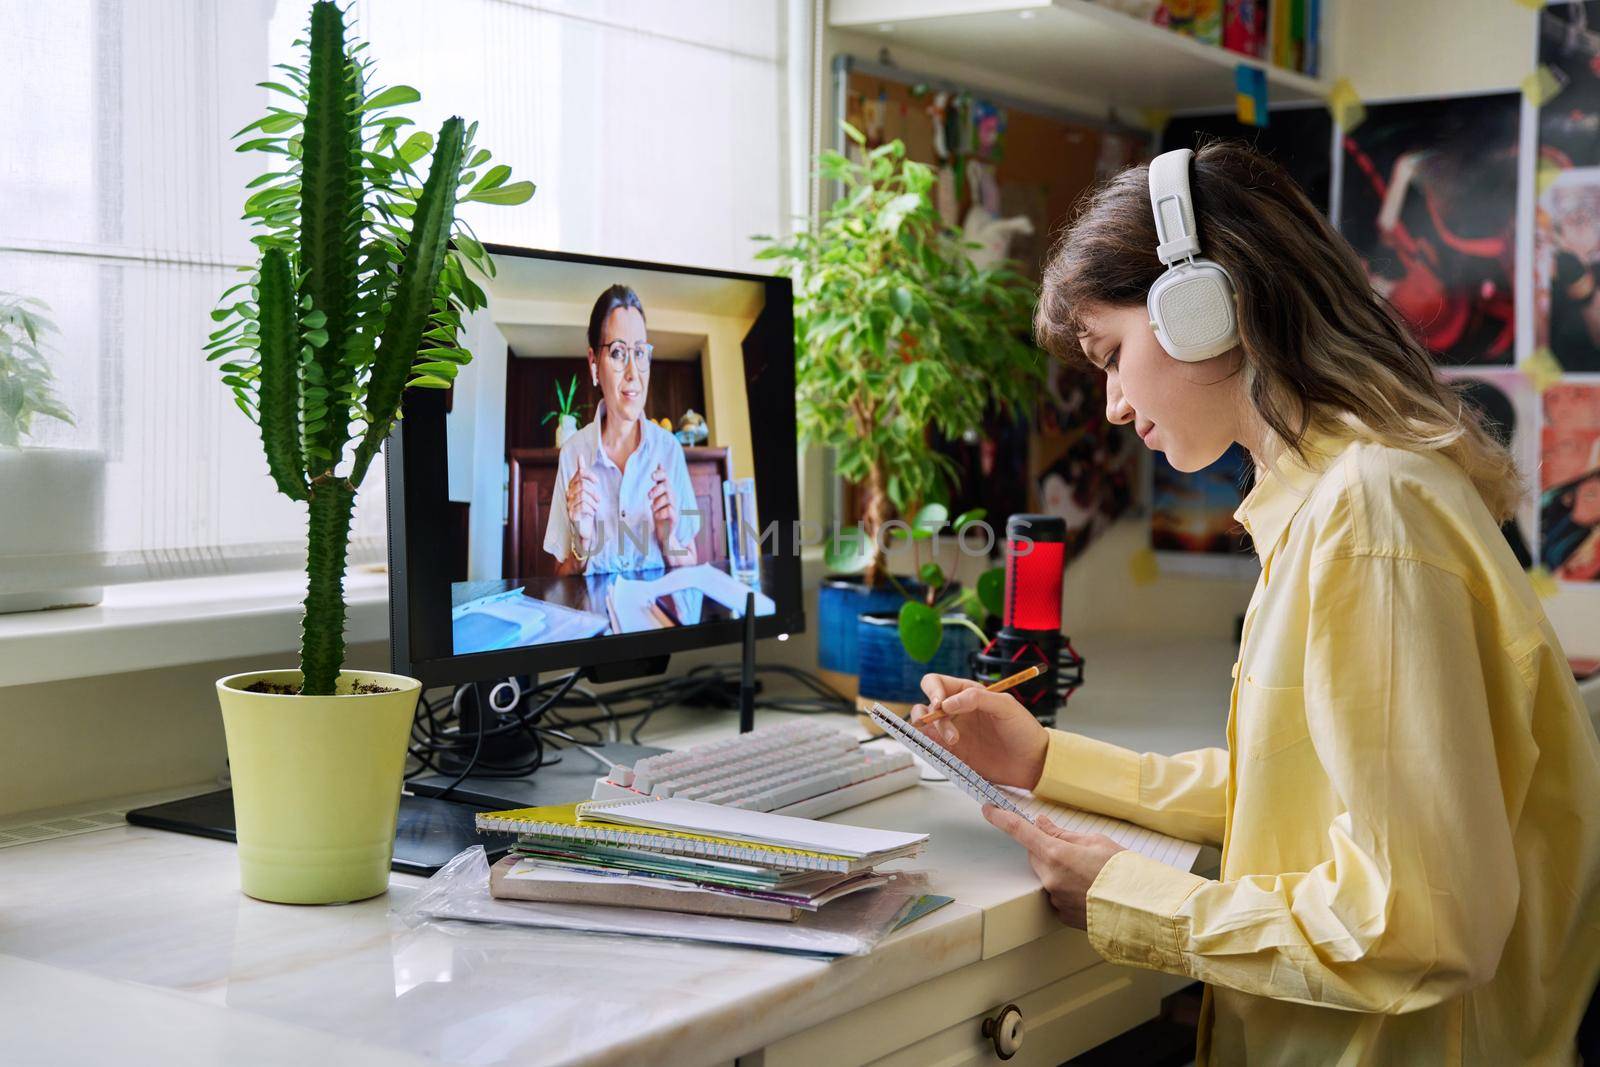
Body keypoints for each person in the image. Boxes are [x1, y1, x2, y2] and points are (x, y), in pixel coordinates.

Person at [913, 142, 1600, 1064]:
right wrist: (1043, 759)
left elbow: (1424, 923)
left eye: (1112, 355)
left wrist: (1136, 898)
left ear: (1201, 308)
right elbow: (1303, 796)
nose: (1113, 404)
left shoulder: (1369, 514)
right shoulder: (1336, 496)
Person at [543, 284, 700, 575]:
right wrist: (583, 541)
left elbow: (691, 557)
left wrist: (669, 541)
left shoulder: (670, 451)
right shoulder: (572, 454)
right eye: (617, 353)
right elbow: (561, 573)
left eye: (640, 352)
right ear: (594, 364)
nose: (633, 372)